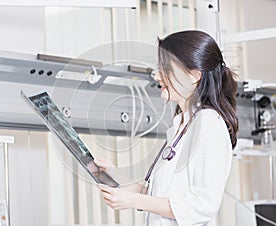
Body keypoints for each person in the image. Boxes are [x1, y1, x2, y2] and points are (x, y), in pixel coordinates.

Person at [96, 30, 239, 226]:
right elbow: (160, 196)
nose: (157, 76)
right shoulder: (182, 125)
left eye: (166, 69)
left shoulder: (209, 124)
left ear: (194, 76)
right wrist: (113, 174)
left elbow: (202, 205)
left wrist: (134, 201)